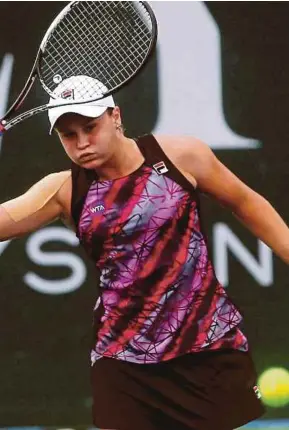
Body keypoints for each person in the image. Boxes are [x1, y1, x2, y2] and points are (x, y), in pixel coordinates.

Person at [1, 75, 289, 430]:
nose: (82, 143)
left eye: (90, 127)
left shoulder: (181, 156)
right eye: (69, 135)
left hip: (206, 346)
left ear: (116, 116)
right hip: (123, 361)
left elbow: (246, 203)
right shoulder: (63, 189)